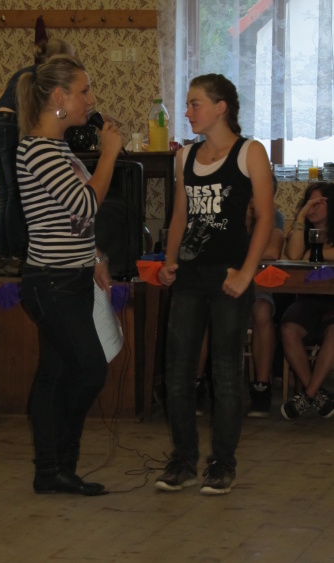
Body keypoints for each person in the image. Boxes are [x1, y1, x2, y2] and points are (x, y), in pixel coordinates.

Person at [155, 73, 274, 495]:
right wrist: (169, 261)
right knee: (177, 372)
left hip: (229, 276)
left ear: (221, 107)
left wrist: (246, 272)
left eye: (195, 103)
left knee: (225, 372)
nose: (187, 111)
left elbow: (265, 216)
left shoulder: (250, 152)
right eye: (188, 104)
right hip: (189, 275)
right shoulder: (185, 156)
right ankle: (183, 460)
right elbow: (180, 217)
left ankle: (222, 463)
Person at [15, 55, 122, 495]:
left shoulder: (58, 148)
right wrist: (109, 153)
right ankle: (57, 463)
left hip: (71, 278)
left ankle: (54, 470)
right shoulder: (38, 149)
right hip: (51, 283)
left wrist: (95, 255)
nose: (90, 100)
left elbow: (71, 221)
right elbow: (85, 204)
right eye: (84, 91)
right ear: (59, 96)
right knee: (90, 371)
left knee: (55, 375)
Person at [0, 38, 74, 276]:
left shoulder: (23, 73)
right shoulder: (42, 77)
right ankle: (17, 255)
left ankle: (4, 257)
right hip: (6, 126)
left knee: (4, 193)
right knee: (14, 193)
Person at [280, 181, 334, 419]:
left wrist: (314, 253)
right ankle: (317, 395)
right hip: (309, 300)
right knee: (288, 328)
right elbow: (294, 256)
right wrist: (300, 216)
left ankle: (308, 395)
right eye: (307, 203)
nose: (310, 207)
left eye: (317, 203)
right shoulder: (303, 230)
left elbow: (307, 256)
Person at [247, 175, 285, 417]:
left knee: (262, 311)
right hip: (222, 285)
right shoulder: (229, 214)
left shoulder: (274, 216)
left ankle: (262, 387)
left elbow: (272, 252)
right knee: (202, 308)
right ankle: (197, 385)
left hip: (257, 287)